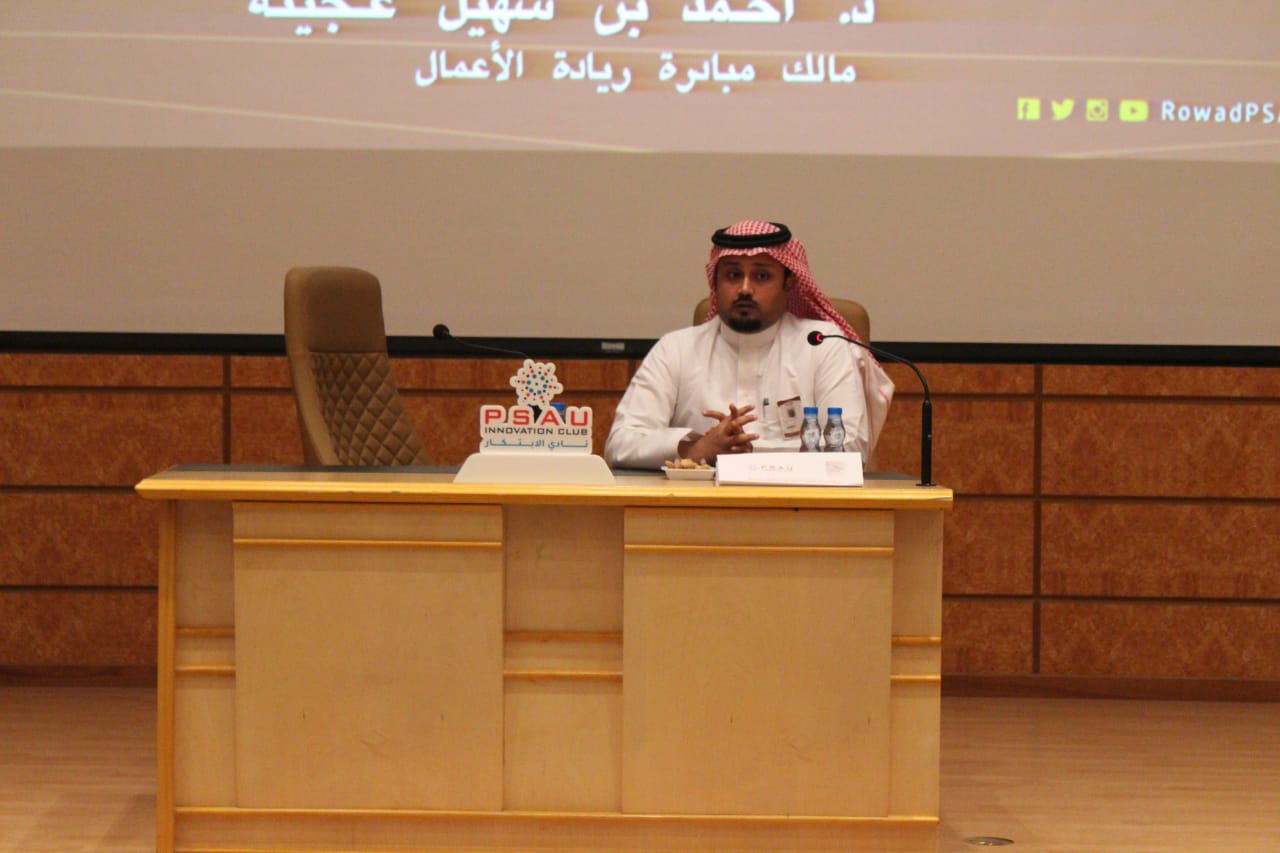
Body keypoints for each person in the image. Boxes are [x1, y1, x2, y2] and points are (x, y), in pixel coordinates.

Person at [604, 219, 894, 470]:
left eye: (762, 276)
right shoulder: (676, 349)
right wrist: (695, 449)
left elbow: (850, 447)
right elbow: (620, 443)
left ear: (789, 283)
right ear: (715, 282)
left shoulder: (823, 345)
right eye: (733, 275)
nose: (745, 288)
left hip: (801, 509)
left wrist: (744, 453)